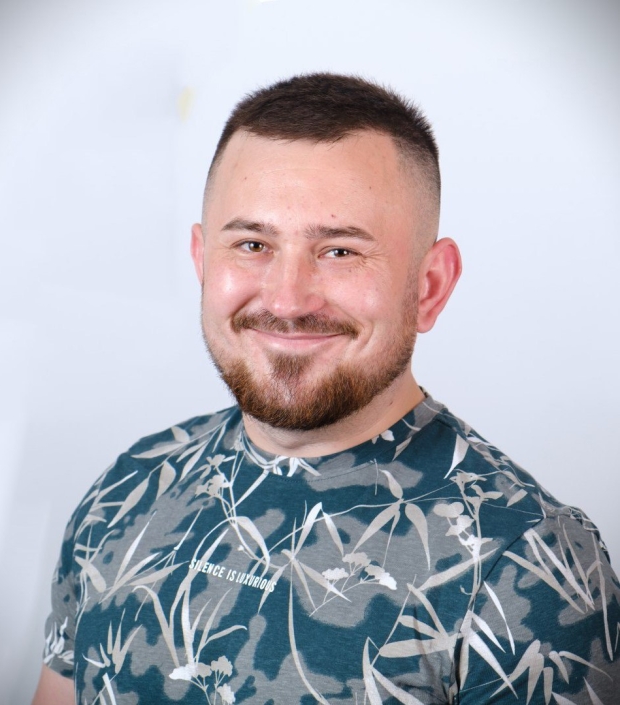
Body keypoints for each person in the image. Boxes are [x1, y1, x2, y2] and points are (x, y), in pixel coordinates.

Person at [32, 73, 620, 705]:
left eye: (340, 252)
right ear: (203, 261)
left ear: (429, 287)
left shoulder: (530, 561)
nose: (287, 300)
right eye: (252, 244)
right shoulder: (129, 488)